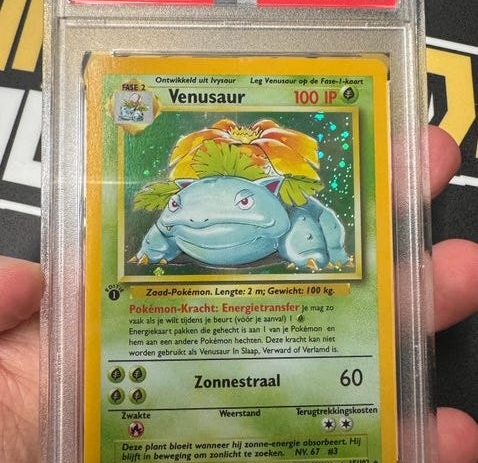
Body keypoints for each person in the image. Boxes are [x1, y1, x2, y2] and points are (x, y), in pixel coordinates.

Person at [0, 126, 477, 463]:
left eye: (245, 199)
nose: (200, 215)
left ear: (268, 190)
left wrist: (317, 254)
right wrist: (152, 250)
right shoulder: (177, 216)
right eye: (179, 202)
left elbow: (312, 221)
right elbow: (162, 231)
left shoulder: (289, 208)